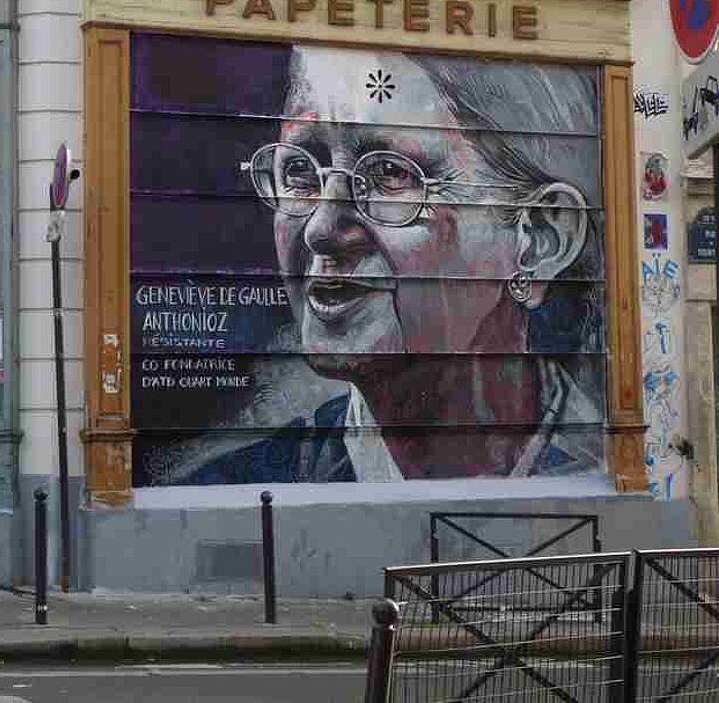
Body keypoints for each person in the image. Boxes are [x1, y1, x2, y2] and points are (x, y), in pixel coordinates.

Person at [240, 45, 605, 480]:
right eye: (299, 171)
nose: (321, 228)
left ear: (539, 239)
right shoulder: (248, 484)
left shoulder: (600, 463)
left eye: (392, 174)